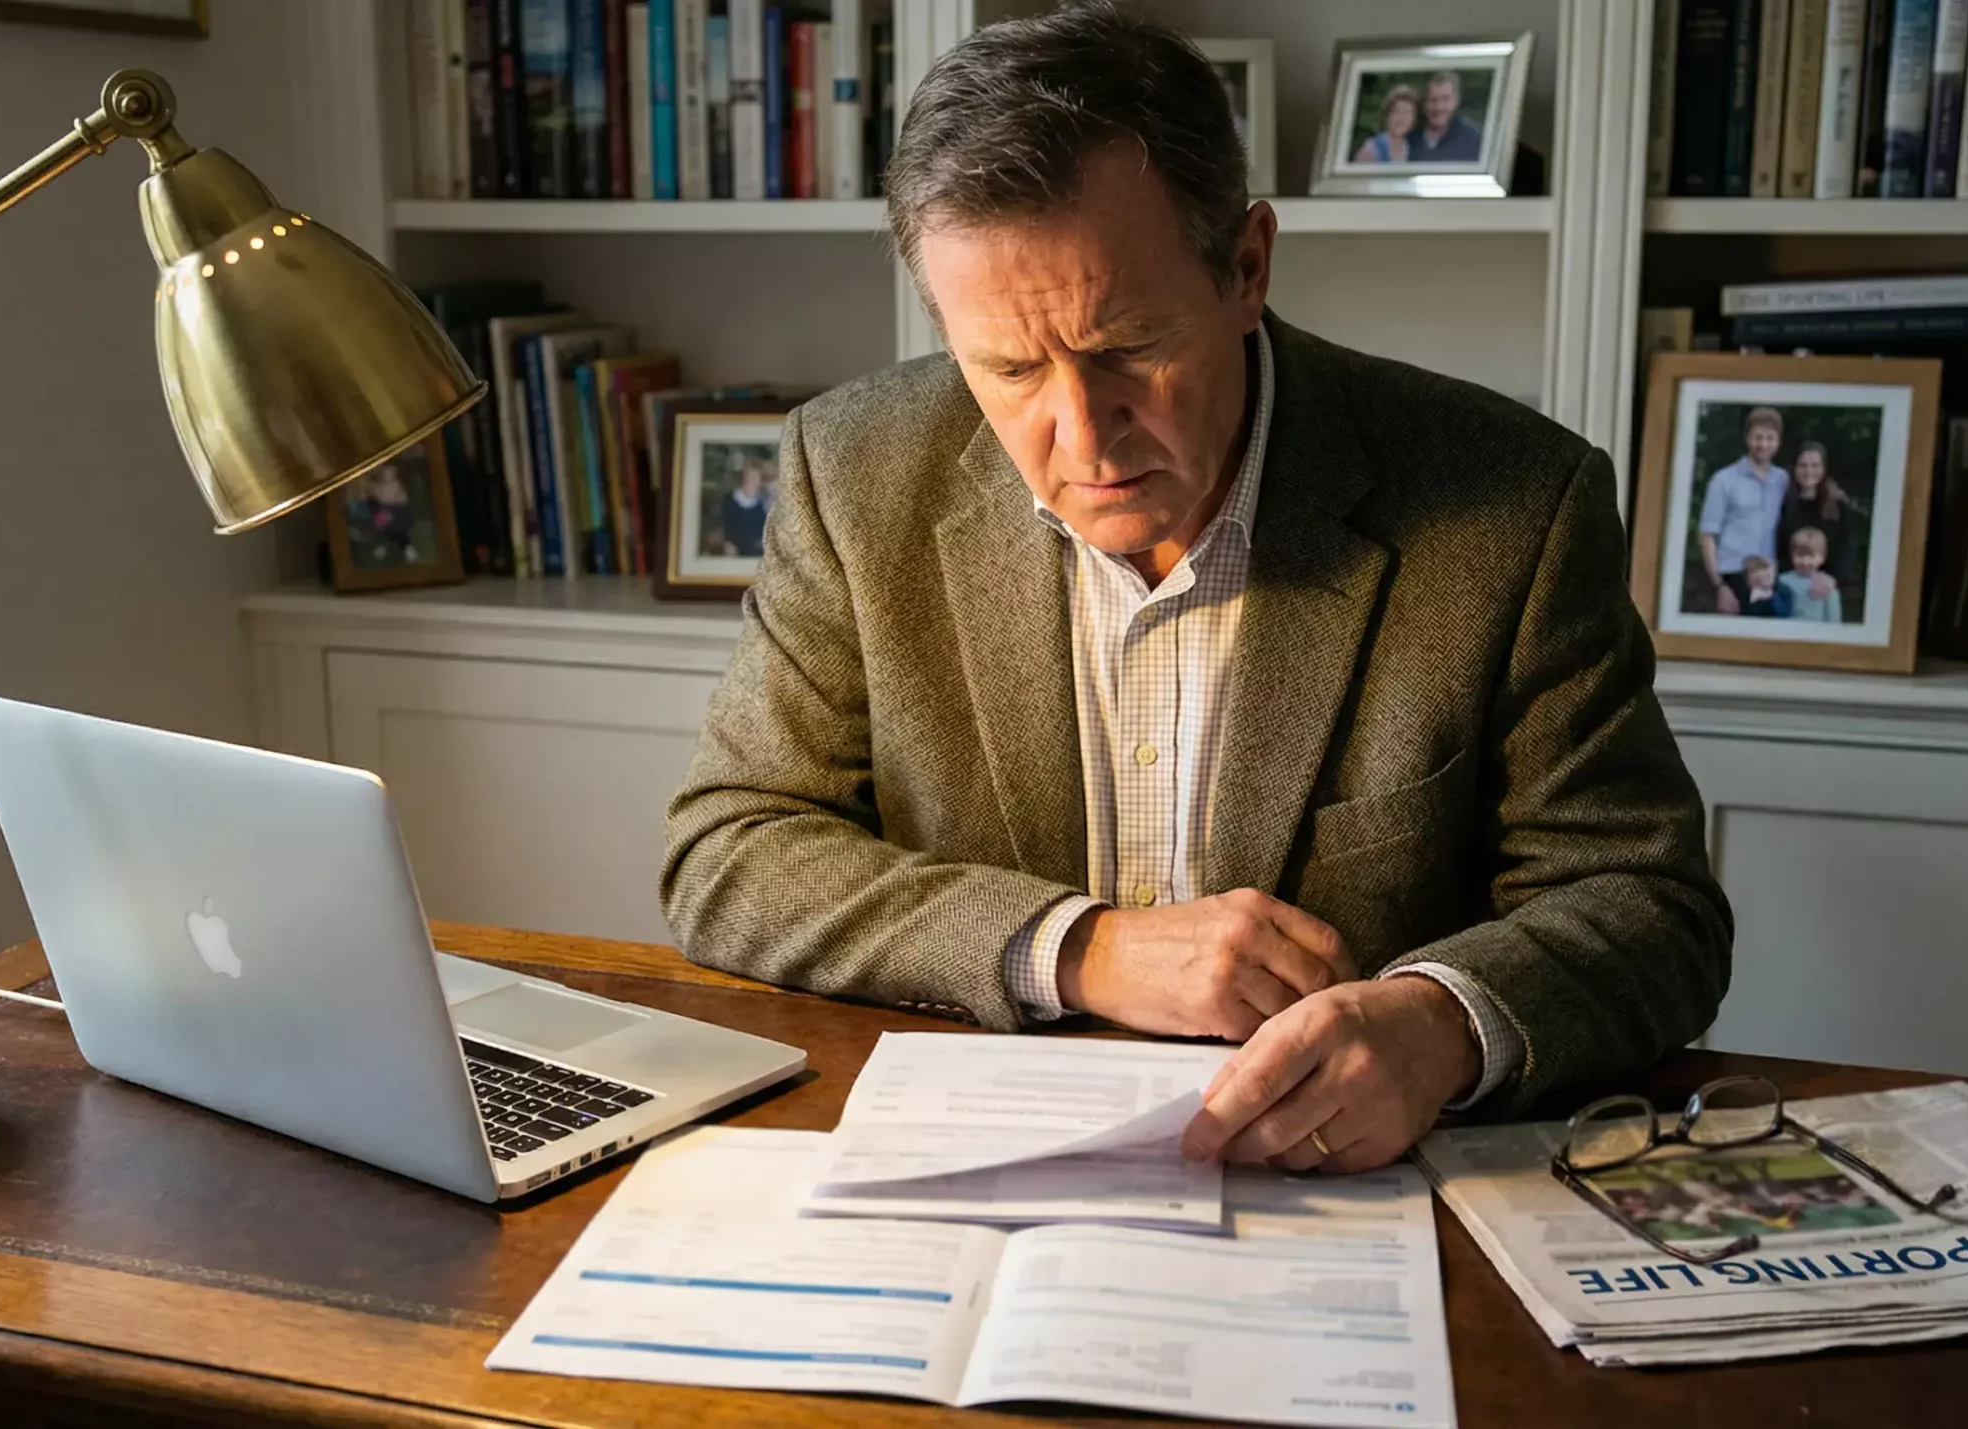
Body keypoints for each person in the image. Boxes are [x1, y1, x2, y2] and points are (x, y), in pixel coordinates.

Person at [662, 5, 1731, 1177]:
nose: (1081, 433)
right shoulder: (852, 472)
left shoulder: (1510, 502)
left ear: (1247, 267)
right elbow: (733, 848)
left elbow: (1646, 905)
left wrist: (1441, 1023)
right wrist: (1082, 950)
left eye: (1127, 344)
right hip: (983, 1167)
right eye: (1009, 368)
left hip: (1344, 1191)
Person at [1696, 408, 1790, 614]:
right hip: (1732, 575)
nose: (1763, 444)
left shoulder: (1782, 480)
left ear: (1778, 441)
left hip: (1769, 576)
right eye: (1757, 437)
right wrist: (1719, 585)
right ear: (1747, 438)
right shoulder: (1724, 479)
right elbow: (1707, 535)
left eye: (1769, 438)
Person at [1774, 440, 1860, 601]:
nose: (1809, 471)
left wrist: (1833, 580)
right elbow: (1778, 547)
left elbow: (1847, 547)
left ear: (1823, 469)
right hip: (1789, 587)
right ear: (1795, 468)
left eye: (1815, 466)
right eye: (1803, 466)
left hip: (1827, 587)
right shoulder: (1782, 504)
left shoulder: (1838, 505)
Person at [1408, 71, 1484, 163]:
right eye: (1433, 100)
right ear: (1425, 103)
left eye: (1445, 99)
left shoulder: (1474, 139)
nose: (1438, 107)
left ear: (1456, 101)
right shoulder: (1410, 139)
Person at [1778, 527, 1843, 622]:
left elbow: (1834, 619)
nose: (1805, 561)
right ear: (1792, 555)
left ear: (1822, 558)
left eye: (1811, 556)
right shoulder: (1781, 581)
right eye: (1800, 555)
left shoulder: (1827, 584)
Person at [717, 456, 775, 557]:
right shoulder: (729, 502)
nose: (751, 482)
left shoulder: (764, 504)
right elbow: (721, 530)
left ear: (760, 481)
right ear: (743, 478)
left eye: (755, 478)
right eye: (748, 477)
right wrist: (727, 544)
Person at [1351, 85, 1419, 164]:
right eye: (1397, 111)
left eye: (1407, 112)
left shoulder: (1413, 148)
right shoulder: (1372, 147)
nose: (1402, 118)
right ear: (1387, 116)